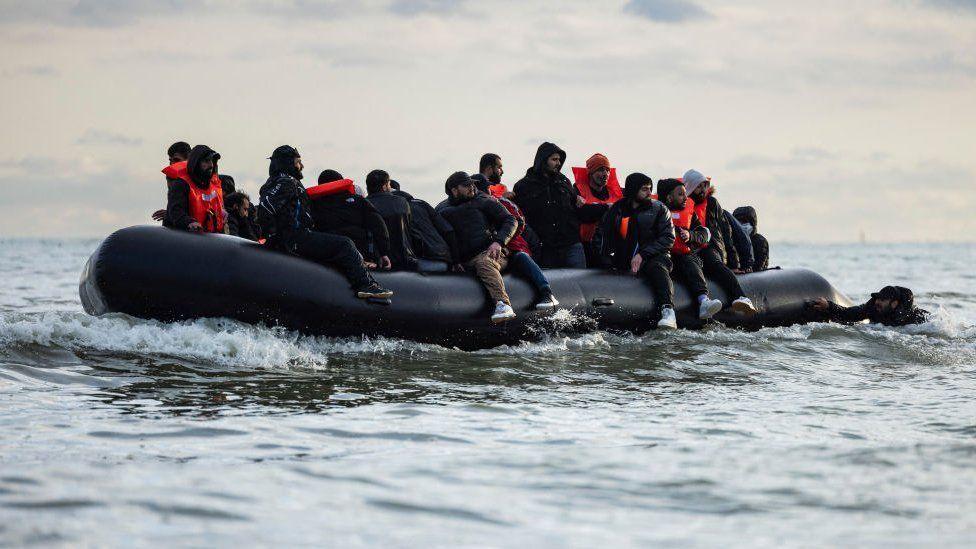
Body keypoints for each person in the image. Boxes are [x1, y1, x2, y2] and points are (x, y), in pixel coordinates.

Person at [257, 145, 392, 299]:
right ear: (288, 163)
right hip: (296, 238)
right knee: (345, 244)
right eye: (298, 162)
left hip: (293, 237)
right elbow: (266, 207)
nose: (302, 166)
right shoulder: (286, 182)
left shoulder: (275, 181)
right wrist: (276, 238)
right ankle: (366, 285)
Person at [657, 177, 756, 318]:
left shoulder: (698, 208)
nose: (703, 190)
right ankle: (667, 311)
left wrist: (691, 235)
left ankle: (735, 297)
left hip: (696, 251)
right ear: (669, 197)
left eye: (705, 186)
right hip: (664, 255)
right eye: (698, 186)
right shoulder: (655, 212)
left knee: (700, 263)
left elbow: (709, 233)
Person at [594, 173, 677, 329]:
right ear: (633, 190)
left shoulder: (659, 209)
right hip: (624, 258)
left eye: (650, 189)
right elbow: (601, 235)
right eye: (644, 189)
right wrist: (605, 259)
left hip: (654, 256)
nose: (649, 193)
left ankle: (668, 311)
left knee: (657, 268)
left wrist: (642, 254)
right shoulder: (617, 209)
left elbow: (668, 238)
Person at [436, 172, 519, 323]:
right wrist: (454, 262)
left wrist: (499, 242)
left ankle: (503, 304)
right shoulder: (442, 210)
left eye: (473, 184)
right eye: (467, 185)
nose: (472, 187)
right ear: (454, 190)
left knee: (484, 263)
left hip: (492, 253)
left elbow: (510, 220)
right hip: (463, 260)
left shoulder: (484, 200)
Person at [472, 172, 559, 309]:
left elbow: (518, 221)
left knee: (521, 257)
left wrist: (503, 239)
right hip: (491, 253)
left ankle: (547, 292)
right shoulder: (470, 209)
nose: (489, 190)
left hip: (512, 248)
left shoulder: (500, 202)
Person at [512, 142, 586, 268]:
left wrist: (581, 200)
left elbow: (576, 204)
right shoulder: (523, 186)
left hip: (571, 244)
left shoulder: (564, 182)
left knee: (580, 284)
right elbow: (519, 217)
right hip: (546, 248)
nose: (558, 163)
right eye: (554, 159)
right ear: (542, 160)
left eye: (559, 160)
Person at [308, 169, 391, 270]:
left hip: (325, 259)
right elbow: (378, 226)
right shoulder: (359, 201)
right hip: (359, 255)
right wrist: (383, 253)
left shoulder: (312, 206)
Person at [391, 181, 459, 271]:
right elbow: (447, 230)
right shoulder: (421, 203)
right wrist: (456, 261)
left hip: (423, 261)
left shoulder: (395, 210)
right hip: (443, 258)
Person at [572, 153, 622, 266]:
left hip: (611, 245)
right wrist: (607, 208)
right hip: (585, 246)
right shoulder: (577, 191)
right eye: (600, 170)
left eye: (607, 170)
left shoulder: (616, 192)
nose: (605, 174)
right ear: (590, 172)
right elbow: (582, 213)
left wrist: (596, 209)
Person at [162, 144, 226, 233]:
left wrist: (222, 212)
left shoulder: (213, 185)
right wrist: (189, 222)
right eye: (206, 161)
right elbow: (176, 211)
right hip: (184, 238)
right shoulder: (181, 184)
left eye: (212, 161)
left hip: (210, 238)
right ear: (196, 163)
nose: (211, 165)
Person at [365, 170, 418, 271]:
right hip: (405, 258)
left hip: (378, 261)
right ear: (384, 186)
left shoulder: (363, 205)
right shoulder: (402, 202)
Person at [806, 286, 928, 327]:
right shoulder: (872, 308)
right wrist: (829, 306)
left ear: (894, 304)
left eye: (882, 300)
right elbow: (849, 313)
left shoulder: (914, 317)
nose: (877, 302)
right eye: (877, 299)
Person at [153, 141, 192, 223]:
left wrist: (169, 214)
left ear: (188, 160)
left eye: (176, 160)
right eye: (170, 160)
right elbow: (176, 204)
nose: (172, 164)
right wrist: (169, 214)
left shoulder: (198, 179)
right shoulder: (171, 177)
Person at [733, 206, 769, 271]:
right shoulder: (731, 240)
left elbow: (759, 265)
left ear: (752, 224)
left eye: (744, 221)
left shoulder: (760, 241)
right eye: (738, 222)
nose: (741, 225)